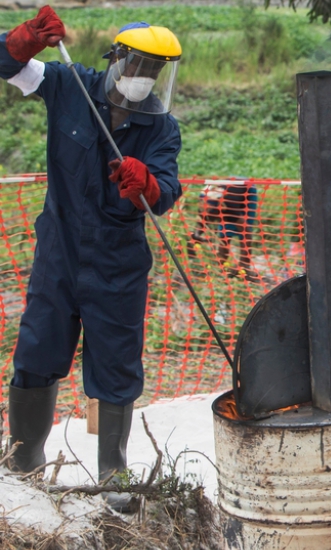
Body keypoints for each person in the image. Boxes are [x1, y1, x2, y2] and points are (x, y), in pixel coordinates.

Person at [0, 7, 183, 512]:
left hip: (117, 267)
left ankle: (112, 472)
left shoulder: (161, 129)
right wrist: (22, 42)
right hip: (57, 256)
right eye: (138, 66)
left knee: (116, 367)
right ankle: (23, 461)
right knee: (37, 353)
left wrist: (146, 183)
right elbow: (6, 65)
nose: (143, 79)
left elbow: (166, 190)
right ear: (116, 59)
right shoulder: (68, 86)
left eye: (154, 72)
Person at [189, 181, 261, 283]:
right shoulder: (205, 203)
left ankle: (245, 268)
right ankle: (222, 267)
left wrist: (244, 262)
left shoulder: (229, 207)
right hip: (228, 192)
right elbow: (201, 223)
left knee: (242, 227)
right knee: (225, 232)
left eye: (212, 214)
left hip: (247, 188)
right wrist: (196, 236)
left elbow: (246, 233)